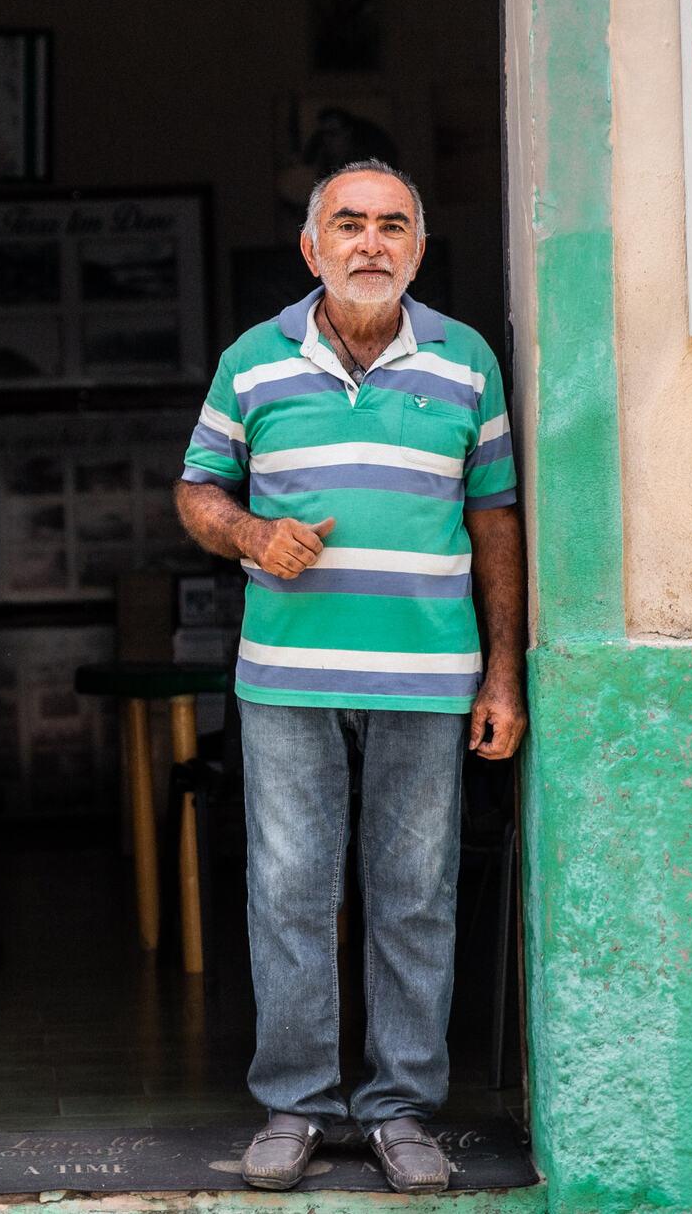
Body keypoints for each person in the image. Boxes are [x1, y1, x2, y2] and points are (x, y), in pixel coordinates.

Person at [175, 160, 526, 1193]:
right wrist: (247, 532)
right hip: (285, 677)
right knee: (287, 890)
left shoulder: (465, 364)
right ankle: (294, 1103)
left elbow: (493, 518)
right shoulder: (253, 361)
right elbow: (196, 488)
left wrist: (500, 673)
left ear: (417, 247)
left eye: (390, 226)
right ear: (310, 248)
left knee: (412, 894)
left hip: (427, 677)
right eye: (348, 224)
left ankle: (400, 1107)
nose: (369, 243)